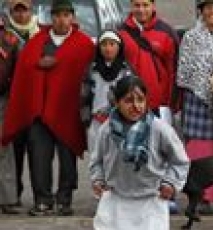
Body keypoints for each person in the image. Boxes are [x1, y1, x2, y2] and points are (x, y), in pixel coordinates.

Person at [90, 75, 189, 230]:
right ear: (117, 103)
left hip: (151, 201)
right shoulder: (106, 131)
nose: (135, 106)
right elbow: (96, 162)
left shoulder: (158, 128)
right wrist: (98, 179)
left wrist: (171, 184)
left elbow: (180, 160)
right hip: (119, 201)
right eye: (128, 101)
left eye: (140, 100)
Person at [2, 0, 94, 216]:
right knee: (39, 157)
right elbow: (24, 70)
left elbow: (89, 75)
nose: (61, 20)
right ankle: (42, 199)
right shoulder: (37, 42)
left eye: (65, 15)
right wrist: (37, 65)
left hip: (68, 112)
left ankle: (64, 199)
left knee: (67, 159)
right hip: (39, 112)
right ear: (50, 18)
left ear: (72, 17)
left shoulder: (83, 44)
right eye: (57, 15)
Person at [177, 0, 213, 212]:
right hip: (196, 96)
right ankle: (200, 194)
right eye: (208, 8)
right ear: (201, 11)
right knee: (200, 147)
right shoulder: (191, 36)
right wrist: (203, 87)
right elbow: (184, 68)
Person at [1, 0, 39, 210]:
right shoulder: (8, 35)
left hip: (20, 101)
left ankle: (19, 198)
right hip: (9, 99)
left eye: (24, 9)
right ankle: (10, 196)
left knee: (23, 151)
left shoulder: (18, 37)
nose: (21, 14)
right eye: (17, 9)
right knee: (9, 151)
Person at [119, 0, 179, 115]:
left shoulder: (167, 32)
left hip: (160, 105)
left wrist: (172, 104)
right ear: (131, 6)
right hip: (129, 104)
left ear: (153, 6)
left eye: (145, 5)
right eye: (137, 5)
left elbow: (174, 71)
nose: (141, 10)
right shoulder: (121, 32)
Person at [81, 30, 132, 155]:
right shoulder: (92, 71)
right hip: (96, 123)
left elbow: (131, 98)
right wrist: (86, 121)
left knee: (116, 162)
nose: (108, 48)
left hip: (119, 124)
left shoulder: (126, 71)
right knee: (96, 161)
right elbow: (84, 98)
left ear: (119, 47)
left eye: (112, 44)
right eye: (104, 44)